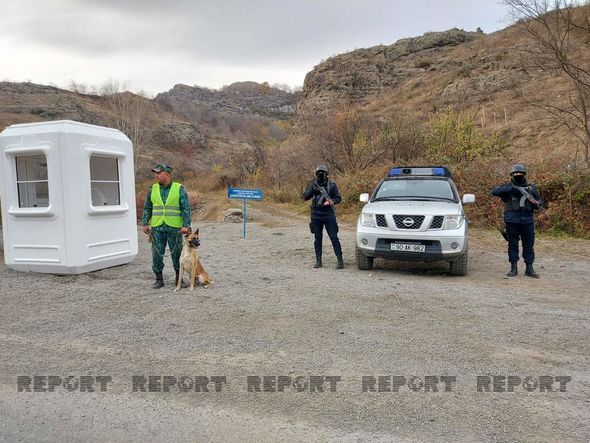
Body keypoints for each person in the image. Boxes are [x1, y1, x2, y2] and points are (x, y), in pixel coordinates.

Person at [141, 164, 192, 289]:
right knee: (156, 255)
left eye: (159, 173)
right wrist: (144, 223)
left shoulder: (179, 189)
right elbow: (147, 207)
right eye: (155, 173)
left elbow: (186, 208)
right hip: (157, 228)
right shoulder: (152, 189)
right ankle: (159, 279)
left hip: (174, 228)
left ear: (167, 174)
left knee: (177, 254)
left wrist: (186, 225)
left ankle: (178, 278)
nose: (156, 175)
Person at [491, 164, 542, 278]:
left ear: (524, 175)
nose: (518, 175)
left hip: (527, 221)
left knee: (528, 245)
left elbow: (539, 202)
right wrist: (512, 188)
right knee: (512, 244)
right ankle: (513, 268)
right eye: (516, 174)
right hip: (512, 221)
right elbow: (494, 191)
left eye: (520, 174)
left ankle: (529, 268)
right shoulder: (508, 188)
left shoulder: (531, 188)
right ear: (512, 175)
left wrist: (535, 203)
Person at [302, 164, 344, 269]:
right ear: (316, 174)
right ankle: (318, 261)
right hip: (316, 214)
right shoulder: (312, 184)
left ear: (326, 174)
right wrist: (313, 190)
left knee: (334, 237)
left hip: (328, 214)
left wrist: (330, 201)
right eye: (319, 173)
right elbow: (305, 197)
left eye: (323, 173)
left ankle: (340, 261)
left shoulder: (332, 185)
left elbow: (338, 198)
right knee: (318, 238)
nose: (321, 174)